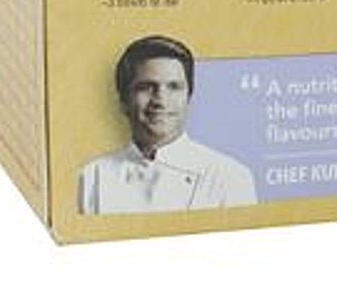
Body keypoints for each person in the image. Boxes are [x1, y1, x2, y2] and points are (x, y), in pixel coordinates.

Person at [78, 36, 257, 214]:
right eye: (146, 87)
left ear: (188, 98)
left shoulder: (229, 178)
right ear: (123, 102)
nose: (160, 100)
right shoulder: (92, 177)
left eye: (174, 87)